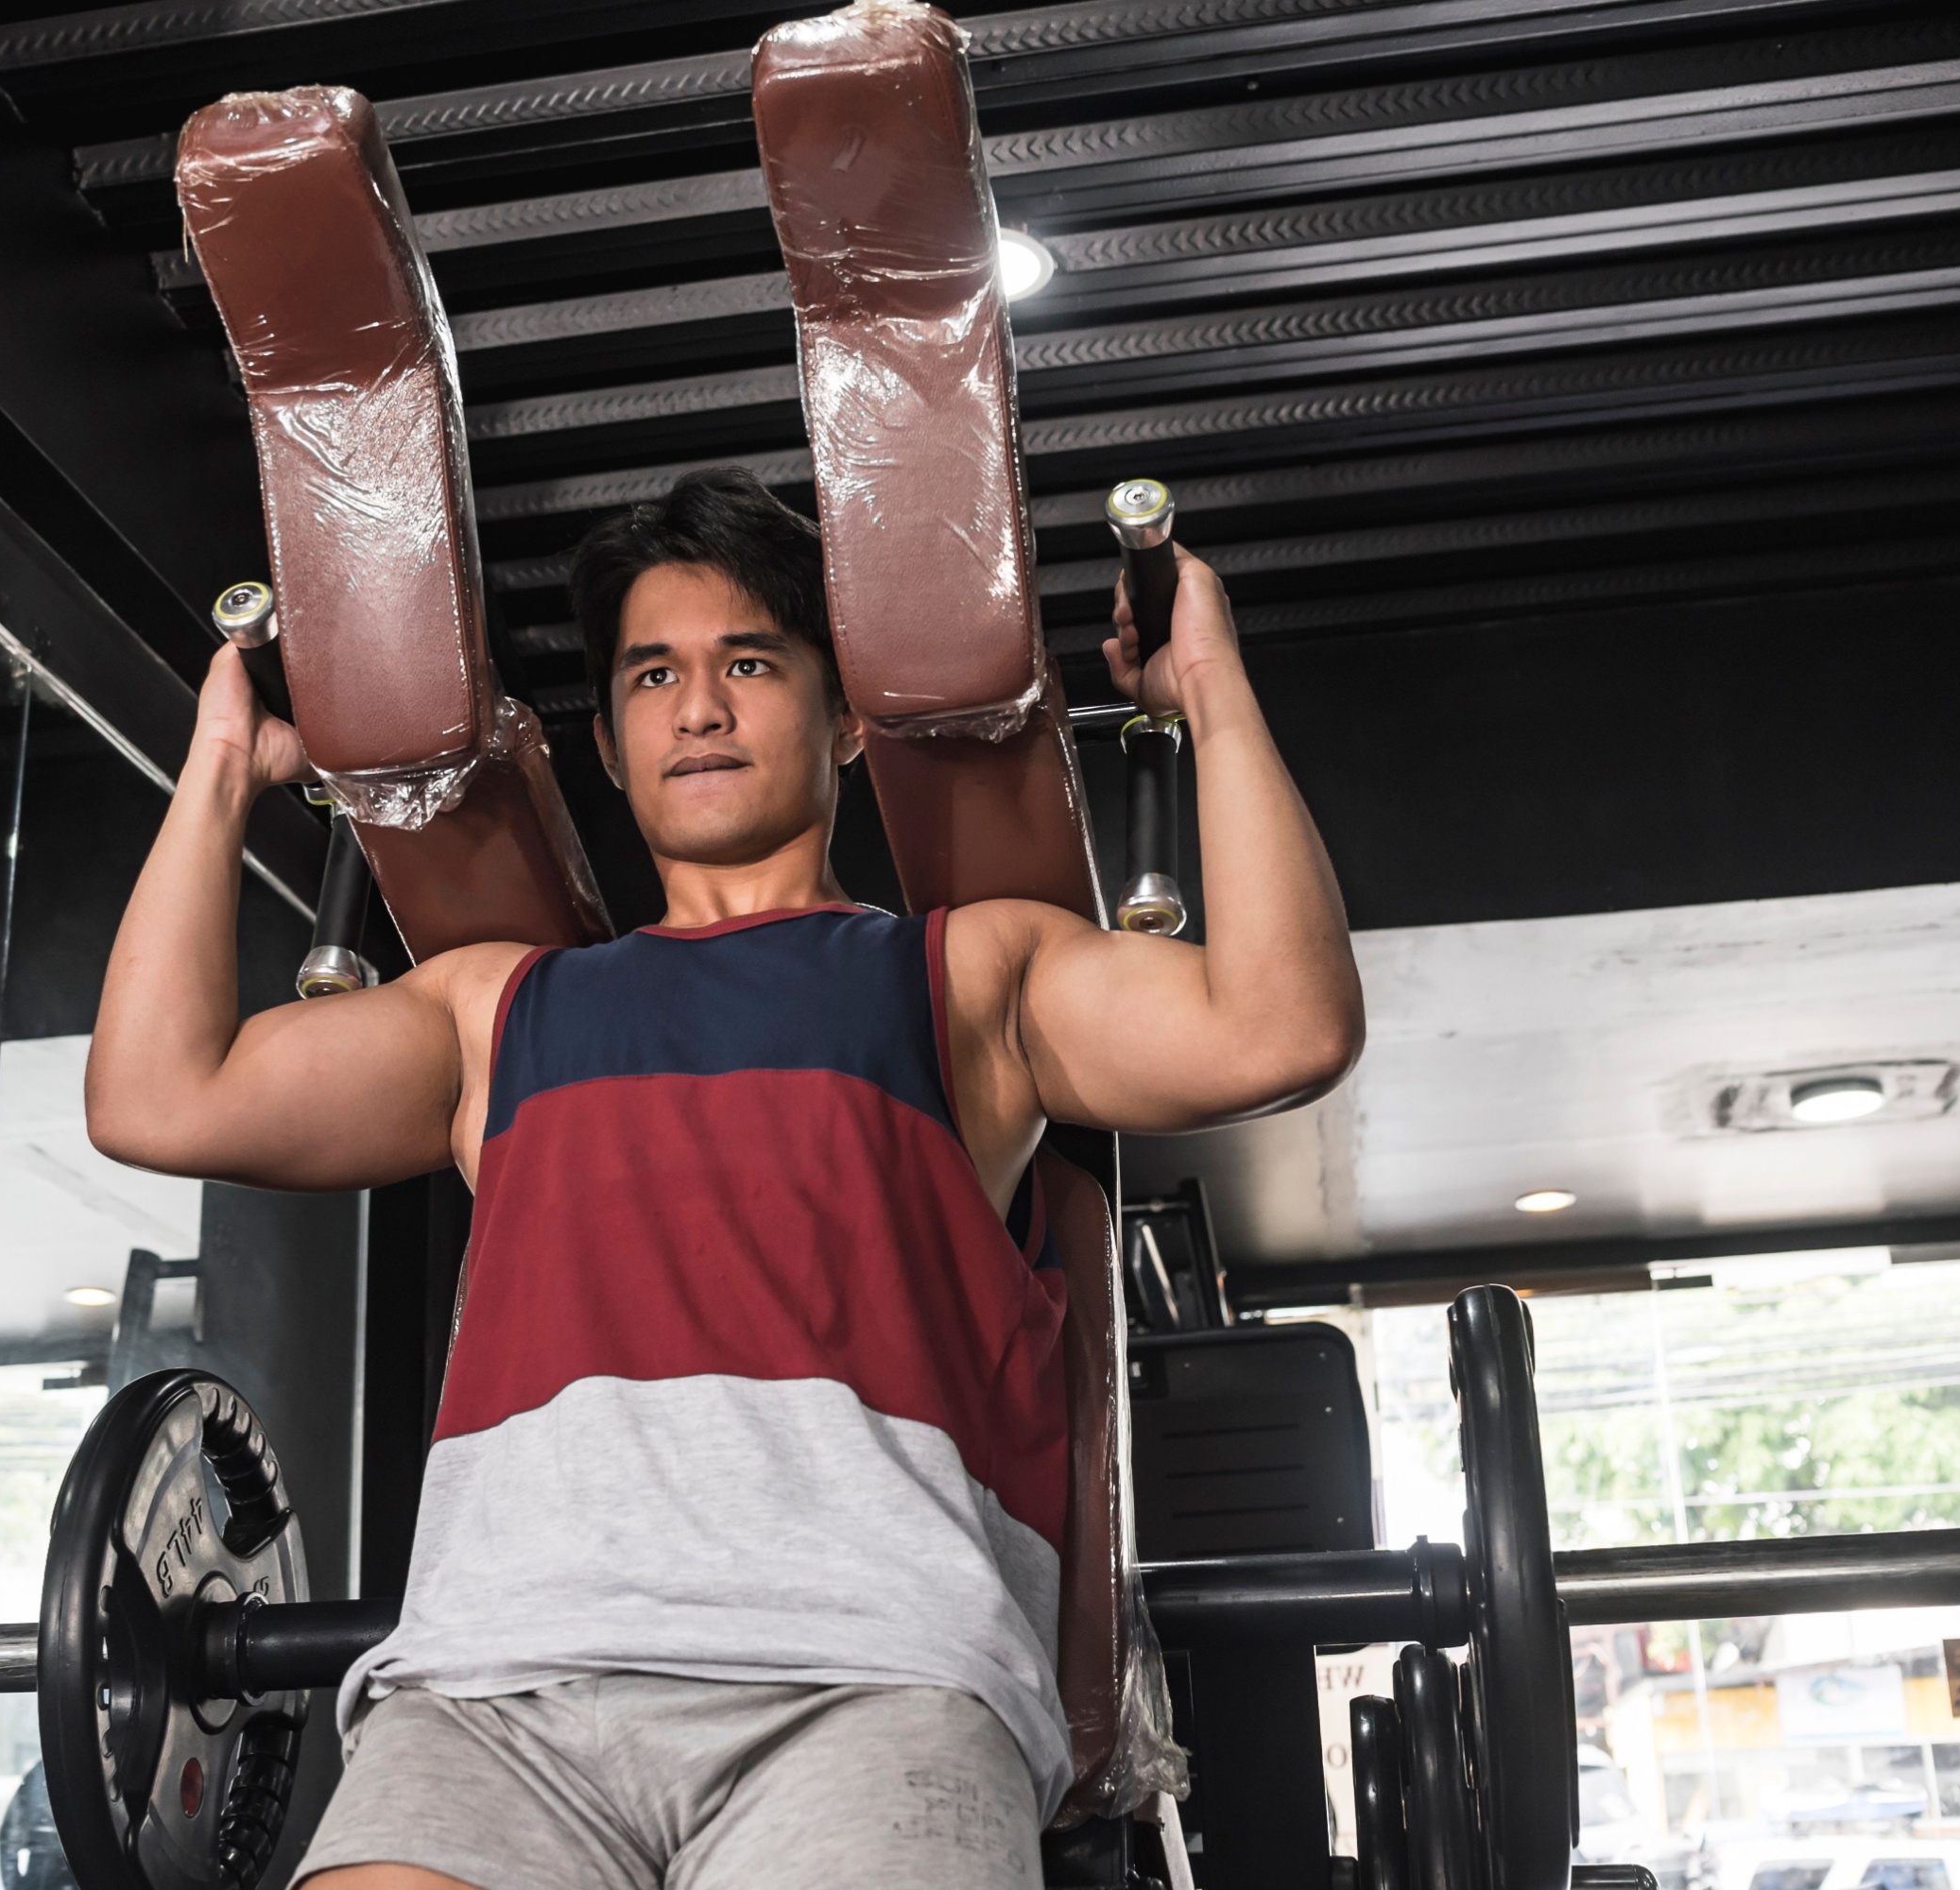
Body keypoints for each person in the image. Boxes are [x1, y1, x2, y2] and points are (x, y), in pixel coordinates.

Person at [85, 468, 1364, 1890]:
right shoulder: (493, 1014)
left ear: (845, 720)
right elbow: (158, 1095)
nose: (698, 707)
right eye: (654, 677)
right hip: (493, 1698)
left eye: (748, 663)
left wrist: (1214, 689)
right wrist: (218, 775)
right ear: (616, 750)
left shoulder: (966, 974)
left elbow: (1284, 1027)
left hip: (867, 1684)